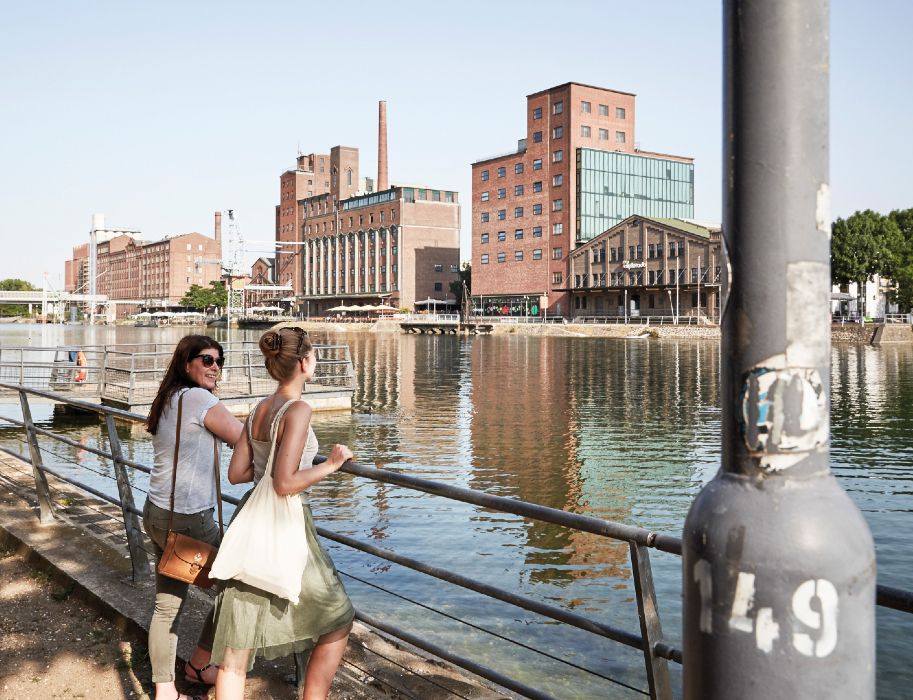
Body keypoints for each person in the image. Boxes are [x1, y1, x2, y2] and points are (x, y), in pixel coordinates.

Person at [212, 327, 355, 700]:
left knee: (236, 649)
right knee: (337, 616)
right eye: (314, 354)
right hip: (286, 523)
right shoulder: (299, 408)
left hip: (250, 524)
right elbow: (284, 483)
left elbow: (237, 473)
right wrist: (332, 464)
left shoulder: (260, 407)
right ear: (304, 362)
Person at [143, 335, 244, 700]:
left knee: (167, 605)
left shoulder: (168, 398)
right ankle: (201, 663)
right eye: (206, 359)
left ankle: (166, 690)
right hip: (189, 519)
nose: (215, 366)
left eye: (220, 360)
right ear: (187, 364)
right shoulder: (200, 398)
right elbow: (242, 435)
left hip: (157, 513)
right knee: (239, 586)